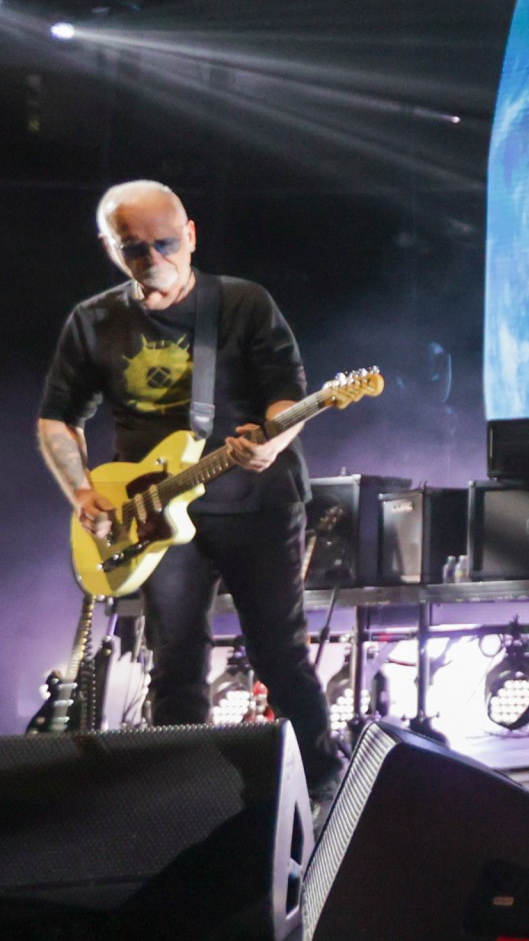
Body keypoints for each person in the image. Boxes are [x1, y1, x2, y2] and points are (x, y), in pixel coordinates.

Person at [35, 180, 348, 799]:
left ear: (192, 236)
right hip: (150, 516)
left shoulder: (242, 303)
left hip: (254, 503)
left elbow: (289, 389)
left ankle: (322, 783)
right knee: (175, 662)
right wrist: (81, 492)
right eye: (135, 248)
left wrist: (272, 441)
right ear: (110, 247)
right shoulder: (94, 319)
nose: (154, 259)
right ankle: (187, 794)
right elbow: (57, 418)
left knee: (278, 652)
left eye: (166, 243)